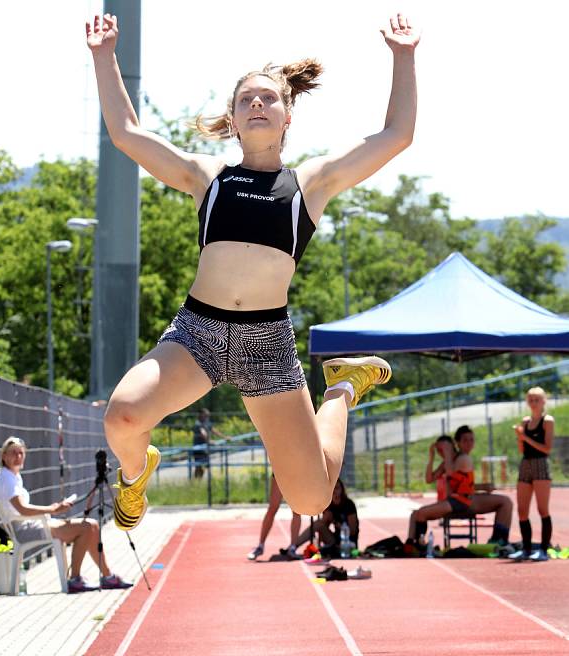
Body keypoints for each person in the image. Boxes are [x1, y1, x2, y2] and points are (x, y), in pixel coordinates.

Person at [86, 13, 418, 530]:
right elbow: (128, 134)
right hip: (199, 331)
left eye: (269, 98)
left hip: (267, 340)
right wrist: (105, 58)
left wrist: (403, 56)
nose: (257, 103)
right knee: (123, 416)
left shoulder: (311, 182)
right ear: (234, 121)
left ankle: (341, 390)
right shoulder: (207, 177)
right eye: (246, 100)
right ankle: (135, 477)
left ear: (287, 118)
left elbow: (397, 134)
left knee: (310, 500)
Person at [0, 437, 132, 593]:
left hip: (32, 524)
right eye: (13, 453)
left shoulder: (11, 476)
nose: (18, 456)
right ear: (4, 456)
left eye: (21, 453)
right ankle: (79, 579)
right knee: (89, 526)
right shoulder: (7, 479)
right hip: (26, 530)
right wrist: (53, 509)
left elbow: (21, 510)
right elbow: (23, 510)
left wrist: (54, 510)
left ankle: (105, 576)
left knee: (91, 526)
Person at [407, 425, 513, 546]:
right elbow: (429, 479)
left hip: (464, 500)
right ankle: (412, 543)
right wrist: (432, 457)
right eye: (465, 440)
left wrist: (482, 487)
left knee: (506, 502)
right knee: (416, 514)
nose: (469, 443)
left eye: (471, 440)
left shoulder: (463, 458)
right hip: (457, 501)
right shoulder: (451, 461)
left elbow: (457, 478)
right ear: (458, 443)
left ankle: (499, 540)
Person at [510, 387, 555, 561]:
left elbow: (547, 448)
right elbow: (522, 449)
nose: (533, 403)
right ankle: (526, 548)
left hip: (540, 464)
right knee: (522, 511)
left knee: (542, 509)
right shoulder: (526, 421)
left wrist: (525, 437)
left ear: (543, 401)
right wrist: (519, 438)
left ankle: (544, 549)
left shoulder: (547, 421)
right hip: (526, 463)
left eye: (537, 399)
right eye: (530, 399)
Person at [294, 478, 359, 555]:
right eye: (333, 489)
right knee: (318, 523)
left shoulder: (349, 504)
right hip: (335, 540)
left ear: (342, 490)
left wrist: (335, 522)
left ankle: (326, 548)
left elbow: (352, 531)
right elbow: (322, 527)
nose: (335, 491)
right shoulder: (329, 504)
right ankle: (294, 545)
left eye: (337, 488)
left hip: (348, 542)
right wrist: (326, 519)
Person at [247, 475, 301, 560]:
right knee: (273, 508)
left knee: (296, 510)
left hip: (295, 473)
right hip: (279, 472)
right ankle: (260, 546)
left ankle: (292, 548)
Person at [192, 408, 223, 479]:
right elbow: (203, 433)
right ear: (201, 415)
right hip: (198, 449)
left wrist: (224, 437)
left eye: (207, 416)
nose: (207, 417)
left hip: (204, 449)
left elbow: (213, 430)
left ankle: (196, 482)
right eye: (205, 415)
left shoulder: (206, 422)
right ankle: (195, 482)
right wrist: (209, 441)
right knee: (199, 467)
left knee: (204, 466)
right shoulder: (198, 424)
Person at [425, 435, 455, 501]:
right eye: (439, 450)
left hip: (454, 504)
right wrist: (431, 457)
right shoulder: (444, 464)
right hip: (444, 504)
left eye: (444, 449)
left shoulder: (460, 460)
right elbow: (429, 479)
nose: (442, 453)